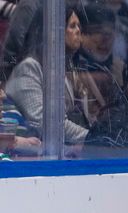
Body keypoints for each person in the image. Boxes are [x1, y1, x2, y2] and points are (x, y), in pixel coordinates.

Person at [4, 1, 89, 147]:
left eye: (79, 26)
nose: (78, 31)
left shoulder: (60, 70)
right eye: (72, 26)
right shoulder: (29, 68)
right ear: (54, 31)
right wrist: (91, 138)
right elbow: (46, 123)